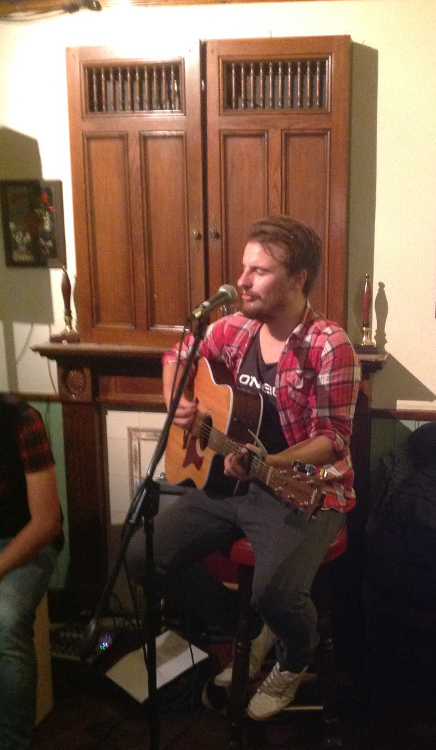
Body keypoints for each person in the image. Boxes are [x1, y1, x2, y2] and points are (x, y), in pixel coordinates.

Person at [127, 216, 361, 720]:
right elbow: (177, 354)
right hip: (230, 482)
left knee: (276, 591)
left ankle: (294, 657)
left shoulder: (328, 345)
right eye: (244, 267)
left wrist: (267, 462)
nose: (243, 281)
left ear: (297, 278)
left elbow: (333, 440)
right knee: (142, 556)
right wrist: (177, 401)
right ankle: (251, 630)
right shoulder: (233, 328)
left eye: (260, 271)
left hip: (304, 490)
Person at [0, 391, 63, 750]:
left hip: (25, 538)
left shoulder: (22, 420)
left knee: (6, 618)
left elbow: (47, 522)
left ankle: (14, 745)